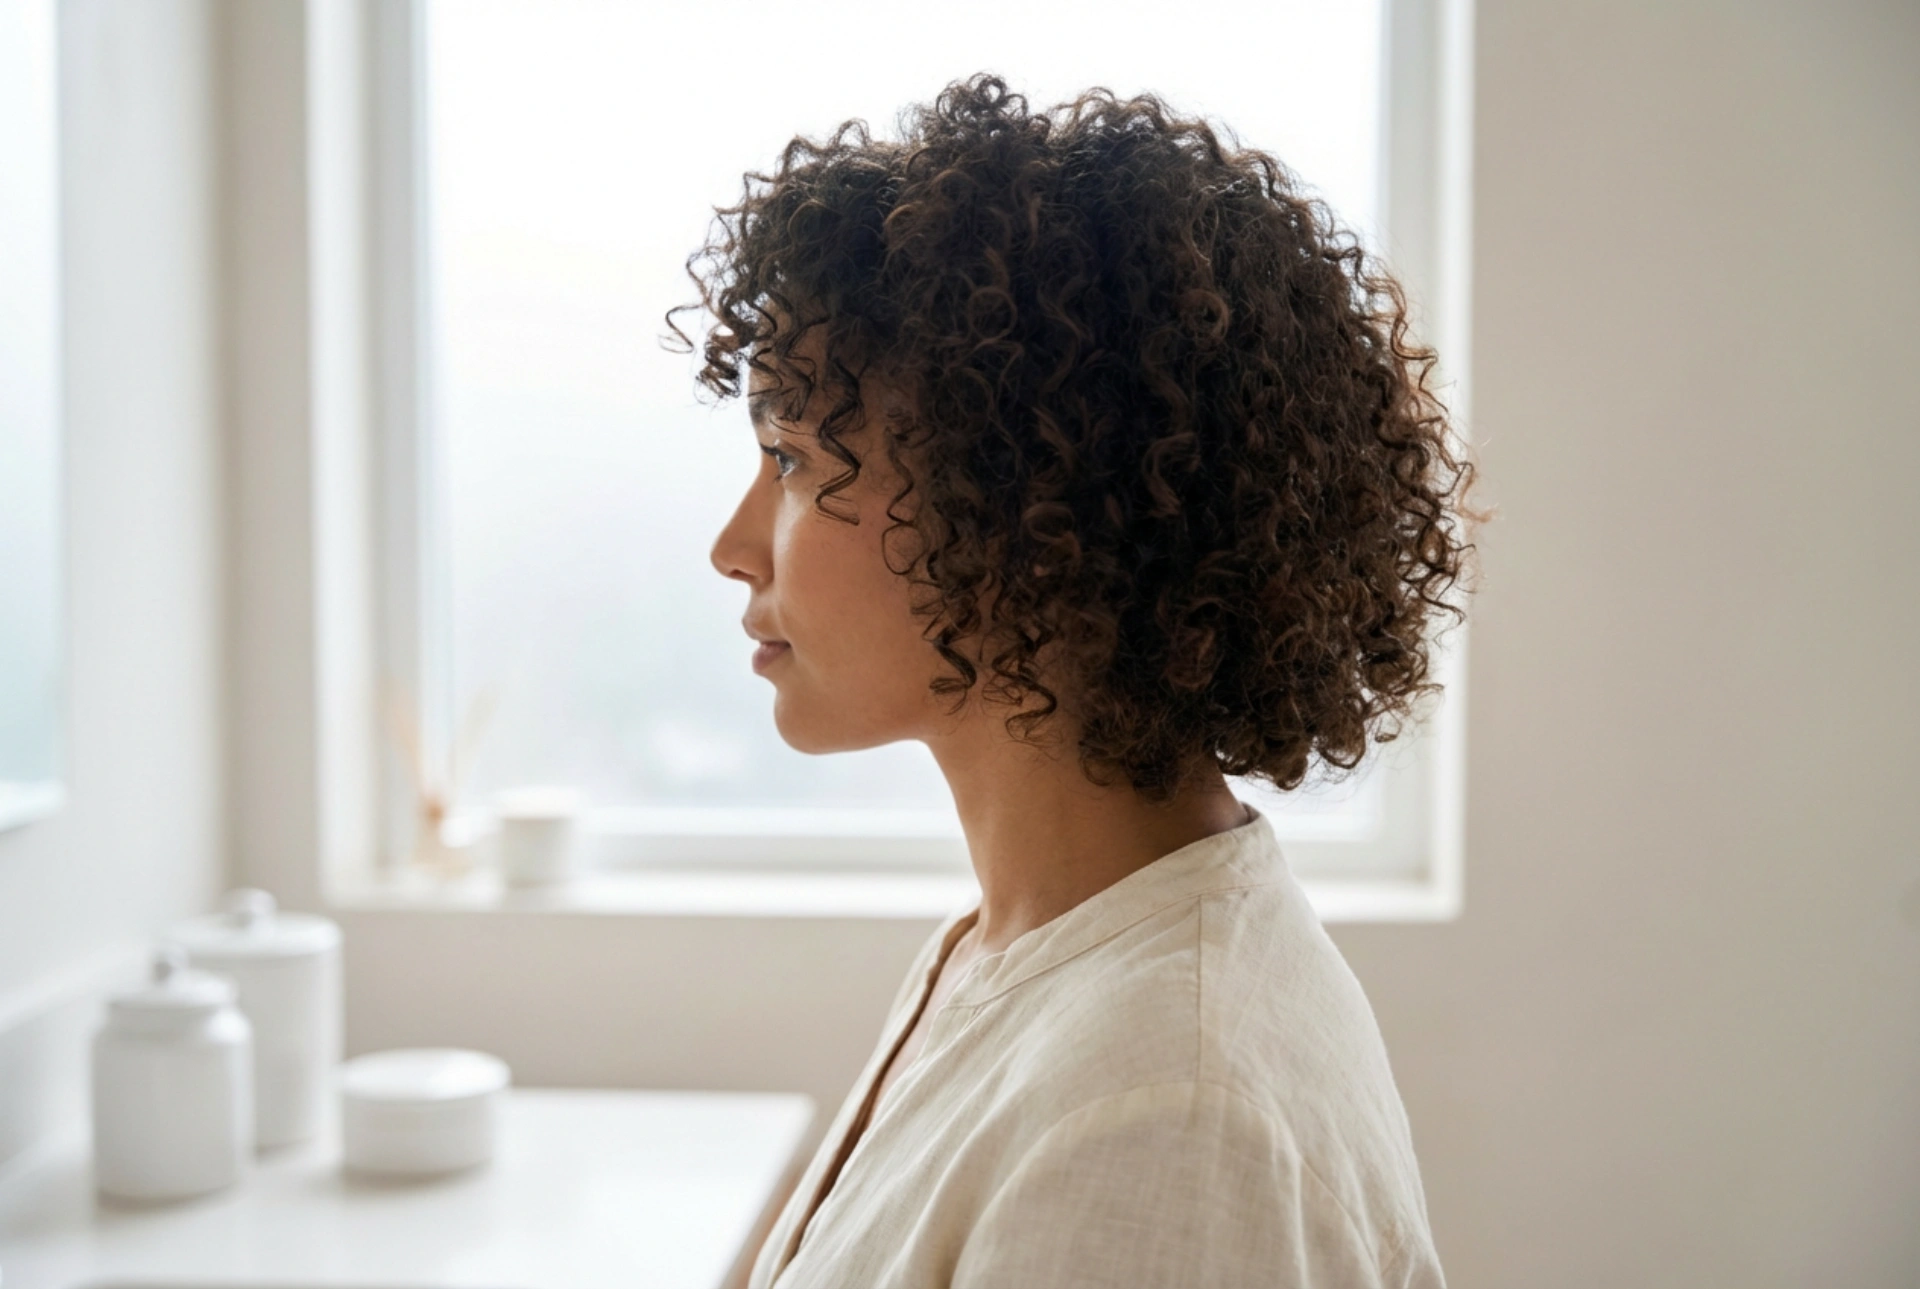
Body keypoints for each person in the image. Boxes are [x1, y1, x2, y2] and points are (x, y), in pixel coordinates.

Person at [687, 72, 1475, 1289]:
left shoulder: (1167, 1112)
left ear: (1020, 504)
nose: (734, 544)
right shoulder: (1034, 946)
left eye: (792, 455)